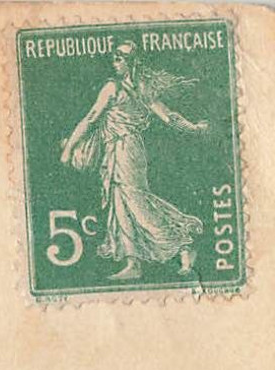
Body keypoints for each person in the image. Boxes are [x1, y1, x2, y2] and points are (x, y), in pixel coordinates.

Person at [60, 41, 211, 281]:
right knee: (121, 203)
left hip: (126, 150)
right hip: (119, 150)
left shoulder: (120, 88)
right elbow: (167, 117)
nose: (115, 61)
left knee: (136, 202)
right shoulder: (134, 88)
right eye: (114, 56)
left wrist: (68, 149)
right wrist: (193, 128)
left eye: (120, 57)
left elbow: (168, 117)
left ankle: (182, 242)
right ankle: (134, 262)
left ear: (132, 62)